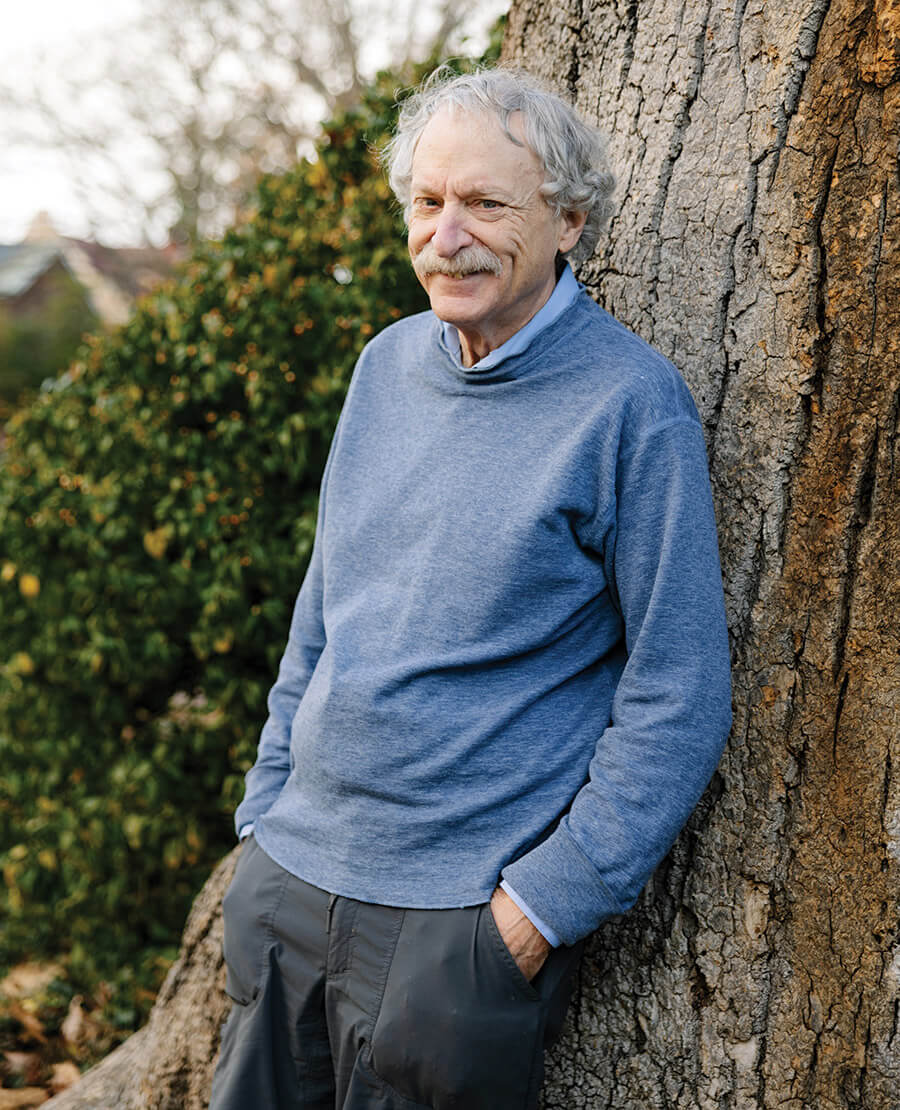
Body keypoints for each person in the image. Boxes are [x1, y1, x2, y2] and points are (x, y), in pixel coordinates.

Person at [210, 65, 732, 1110]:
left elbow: (680, 692)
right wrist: (264, 816)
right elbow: (323, 612)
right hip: (287, 889)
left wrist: (535, 913)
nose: (447, 237)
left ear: (569, 220)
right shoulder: (384, 367)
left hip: (455, 933)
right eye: (428, 202)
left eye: (487, 204)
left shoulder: (633, 406)